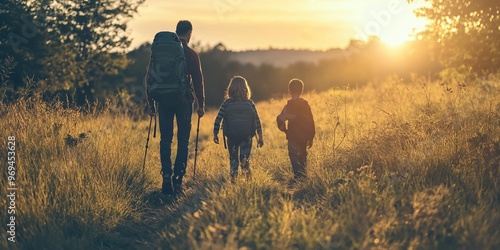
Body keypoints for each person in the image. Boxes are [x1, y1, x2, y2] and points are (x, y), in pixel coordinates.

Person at [146, 20, 205, 195]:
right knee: (183, 141)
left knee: (166, 140)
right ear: (190, 33)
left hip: (163, 101)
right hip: (183, 101)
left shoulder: (160, 53)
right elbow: (198, 80)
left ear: (176, 31)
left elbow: (149, 77)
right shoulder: (191, 54)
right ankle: (178, 180)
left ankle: (166, 176)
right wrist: (201, 104)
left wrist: (150, 103)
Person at [213, 76, 264, 182]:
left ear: (230, 89)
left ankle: (234, 181)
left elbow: (218, 118)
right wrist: (260, 137)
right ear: (246, 89)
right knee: (245, 159)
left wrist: (215, 133)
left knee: (233, 159)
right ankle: (248, 182)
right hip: (247, 136)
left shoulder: (226, 103)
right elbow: (257, 120)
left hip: (232, 136)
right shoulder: (250, 103)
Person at [276, 78, 315, 182]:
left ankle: (297, 176)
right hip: (304, 137)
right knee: (303, 154)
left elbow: (280, 119)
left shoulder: (288, 106)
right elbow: (311, 121)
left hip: (293, 136)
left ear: (289, 90)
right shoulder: (305, 105)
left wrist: (285, 130)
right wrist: (311, 137)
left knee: (293, 155)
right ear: (301, 91)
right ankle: (303, 175)